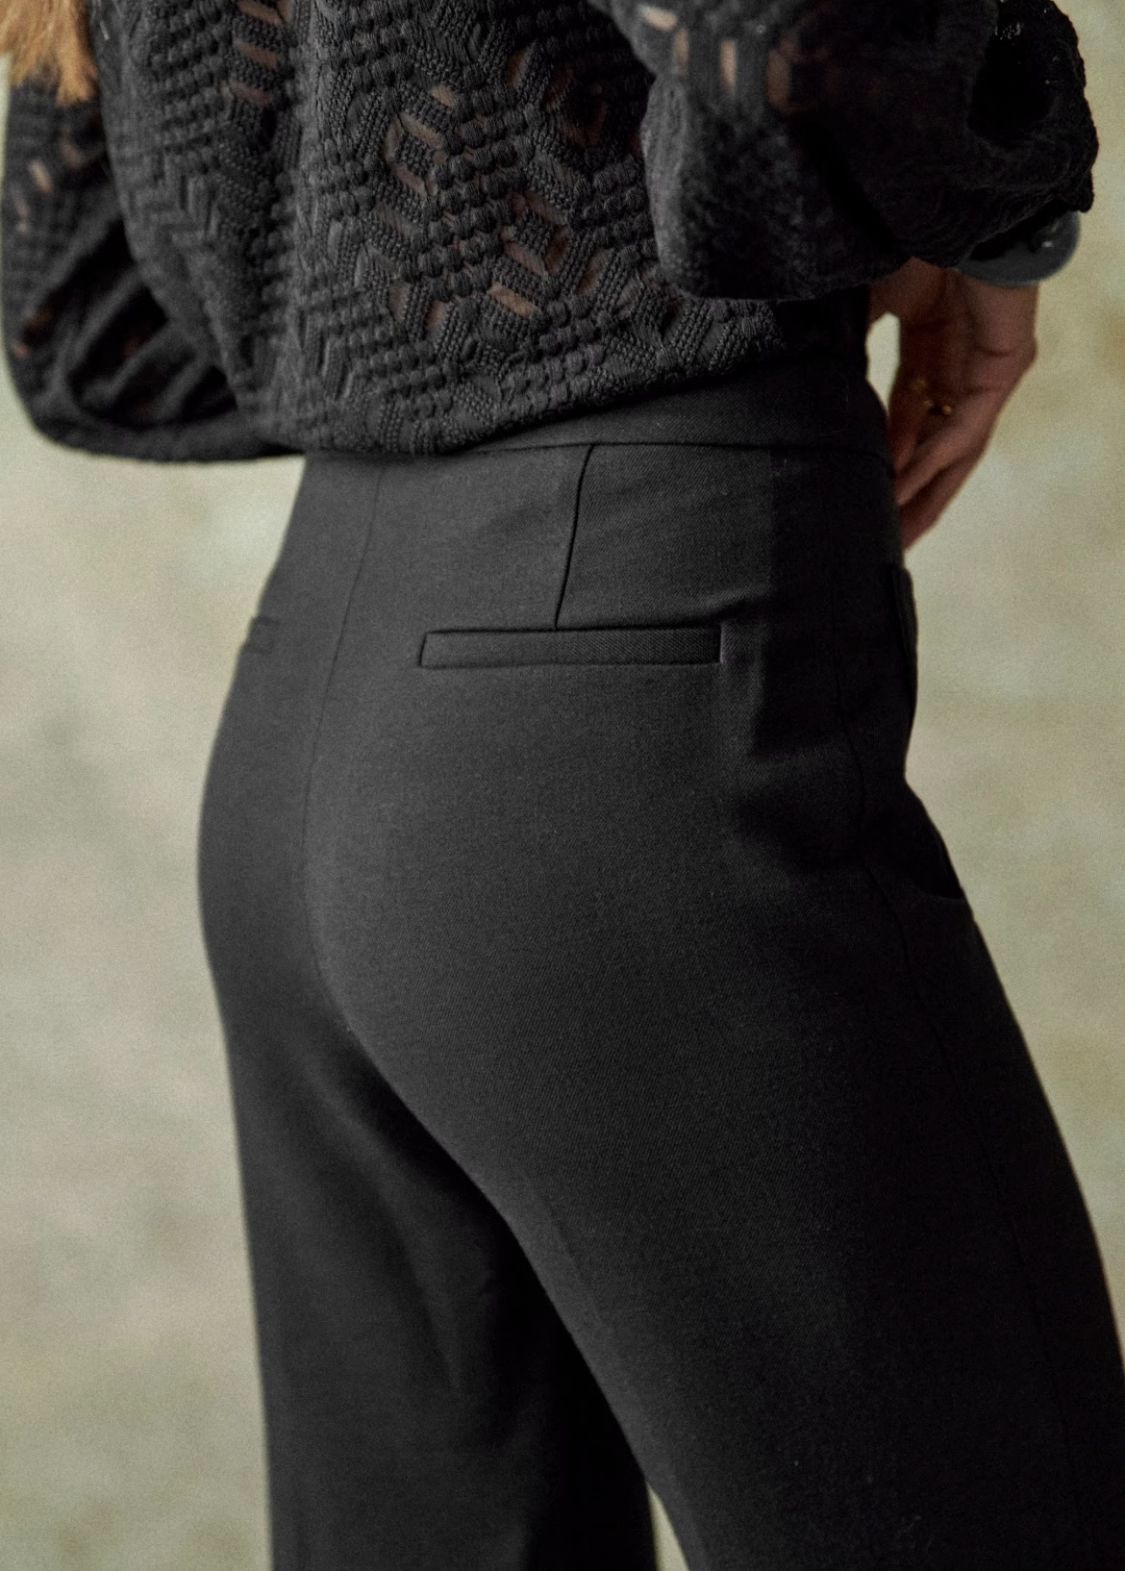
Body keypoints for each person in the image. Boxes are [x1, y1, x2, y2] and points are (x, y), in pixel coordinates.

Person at [4, 3, 1124, 1567]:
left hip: (311, 720)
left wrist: (415, 339)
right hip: (624, 698)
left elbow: (78, 322)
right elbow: (776, 35)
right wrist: (1000, 216)